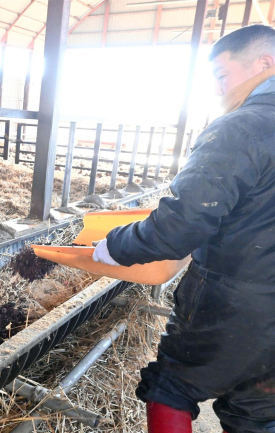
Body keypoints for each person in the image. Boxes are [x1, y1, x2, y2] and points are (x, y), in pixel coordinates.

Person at [92, 25, 275, 433]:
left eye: (223, 76)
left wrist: (113, 246)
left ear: (265, 63)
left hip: (236, 302)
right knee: (258, 411)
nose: (217, 89)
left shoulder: (240, 127)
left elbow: (183, 223)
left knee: (172, 385)